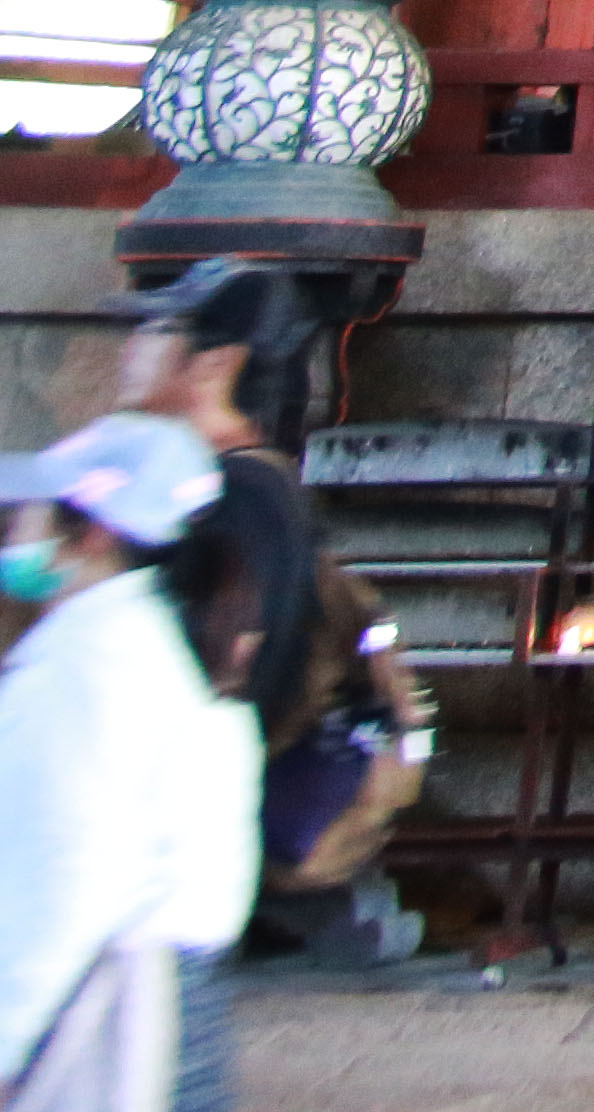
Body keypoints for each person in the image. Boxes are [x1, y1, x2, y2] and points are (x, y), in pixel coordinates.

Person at [115, 262, 422, 978]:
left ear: (217, 362)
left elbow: (239, 678)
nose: (130, 348)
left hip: (186, 811)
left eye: (157, 332)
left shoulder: (244, 499)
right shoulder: (202, 480)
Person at [0, 416, 269, 1111]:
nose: (13, 531)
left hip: (112, 1012)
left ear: (92, 533)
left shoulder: (88, 666)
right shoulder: (157, 646)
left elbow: (67, 876)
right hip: (168, 1003)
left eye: (30, 515)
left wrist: (6, 1038)